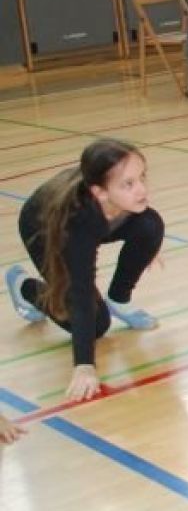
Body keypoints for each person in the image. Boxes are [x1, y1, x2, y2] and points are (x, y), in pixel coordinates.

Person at [6, 139, 164, 402]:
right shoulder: (79, 225)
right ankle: (25, 287)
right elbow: (81, 295)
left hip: (99, 216)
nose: (142, 189)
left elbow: (145, 225)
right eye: (128, 184)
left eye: (141, 177)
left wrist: (148, 245)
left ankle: (119, 299)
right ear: (100, 192)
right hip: (45, 229)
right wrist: (84, 366)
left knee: (150, 226)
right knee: (97, 324)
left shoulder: (111, 198)